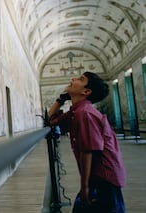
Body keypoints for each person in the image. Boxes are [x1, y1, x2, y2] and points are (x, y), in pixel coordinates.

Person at [49, 71, 126, 213]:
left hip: (104, 178)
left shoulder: (85, 113)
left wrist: (85, 187)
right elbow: (52, 121)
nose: (73, 79)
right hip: (97, 177)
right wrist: (61, 99)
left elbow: (87, 151)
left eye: (80, 79)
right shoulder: (76, 111)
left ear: (86, 91)